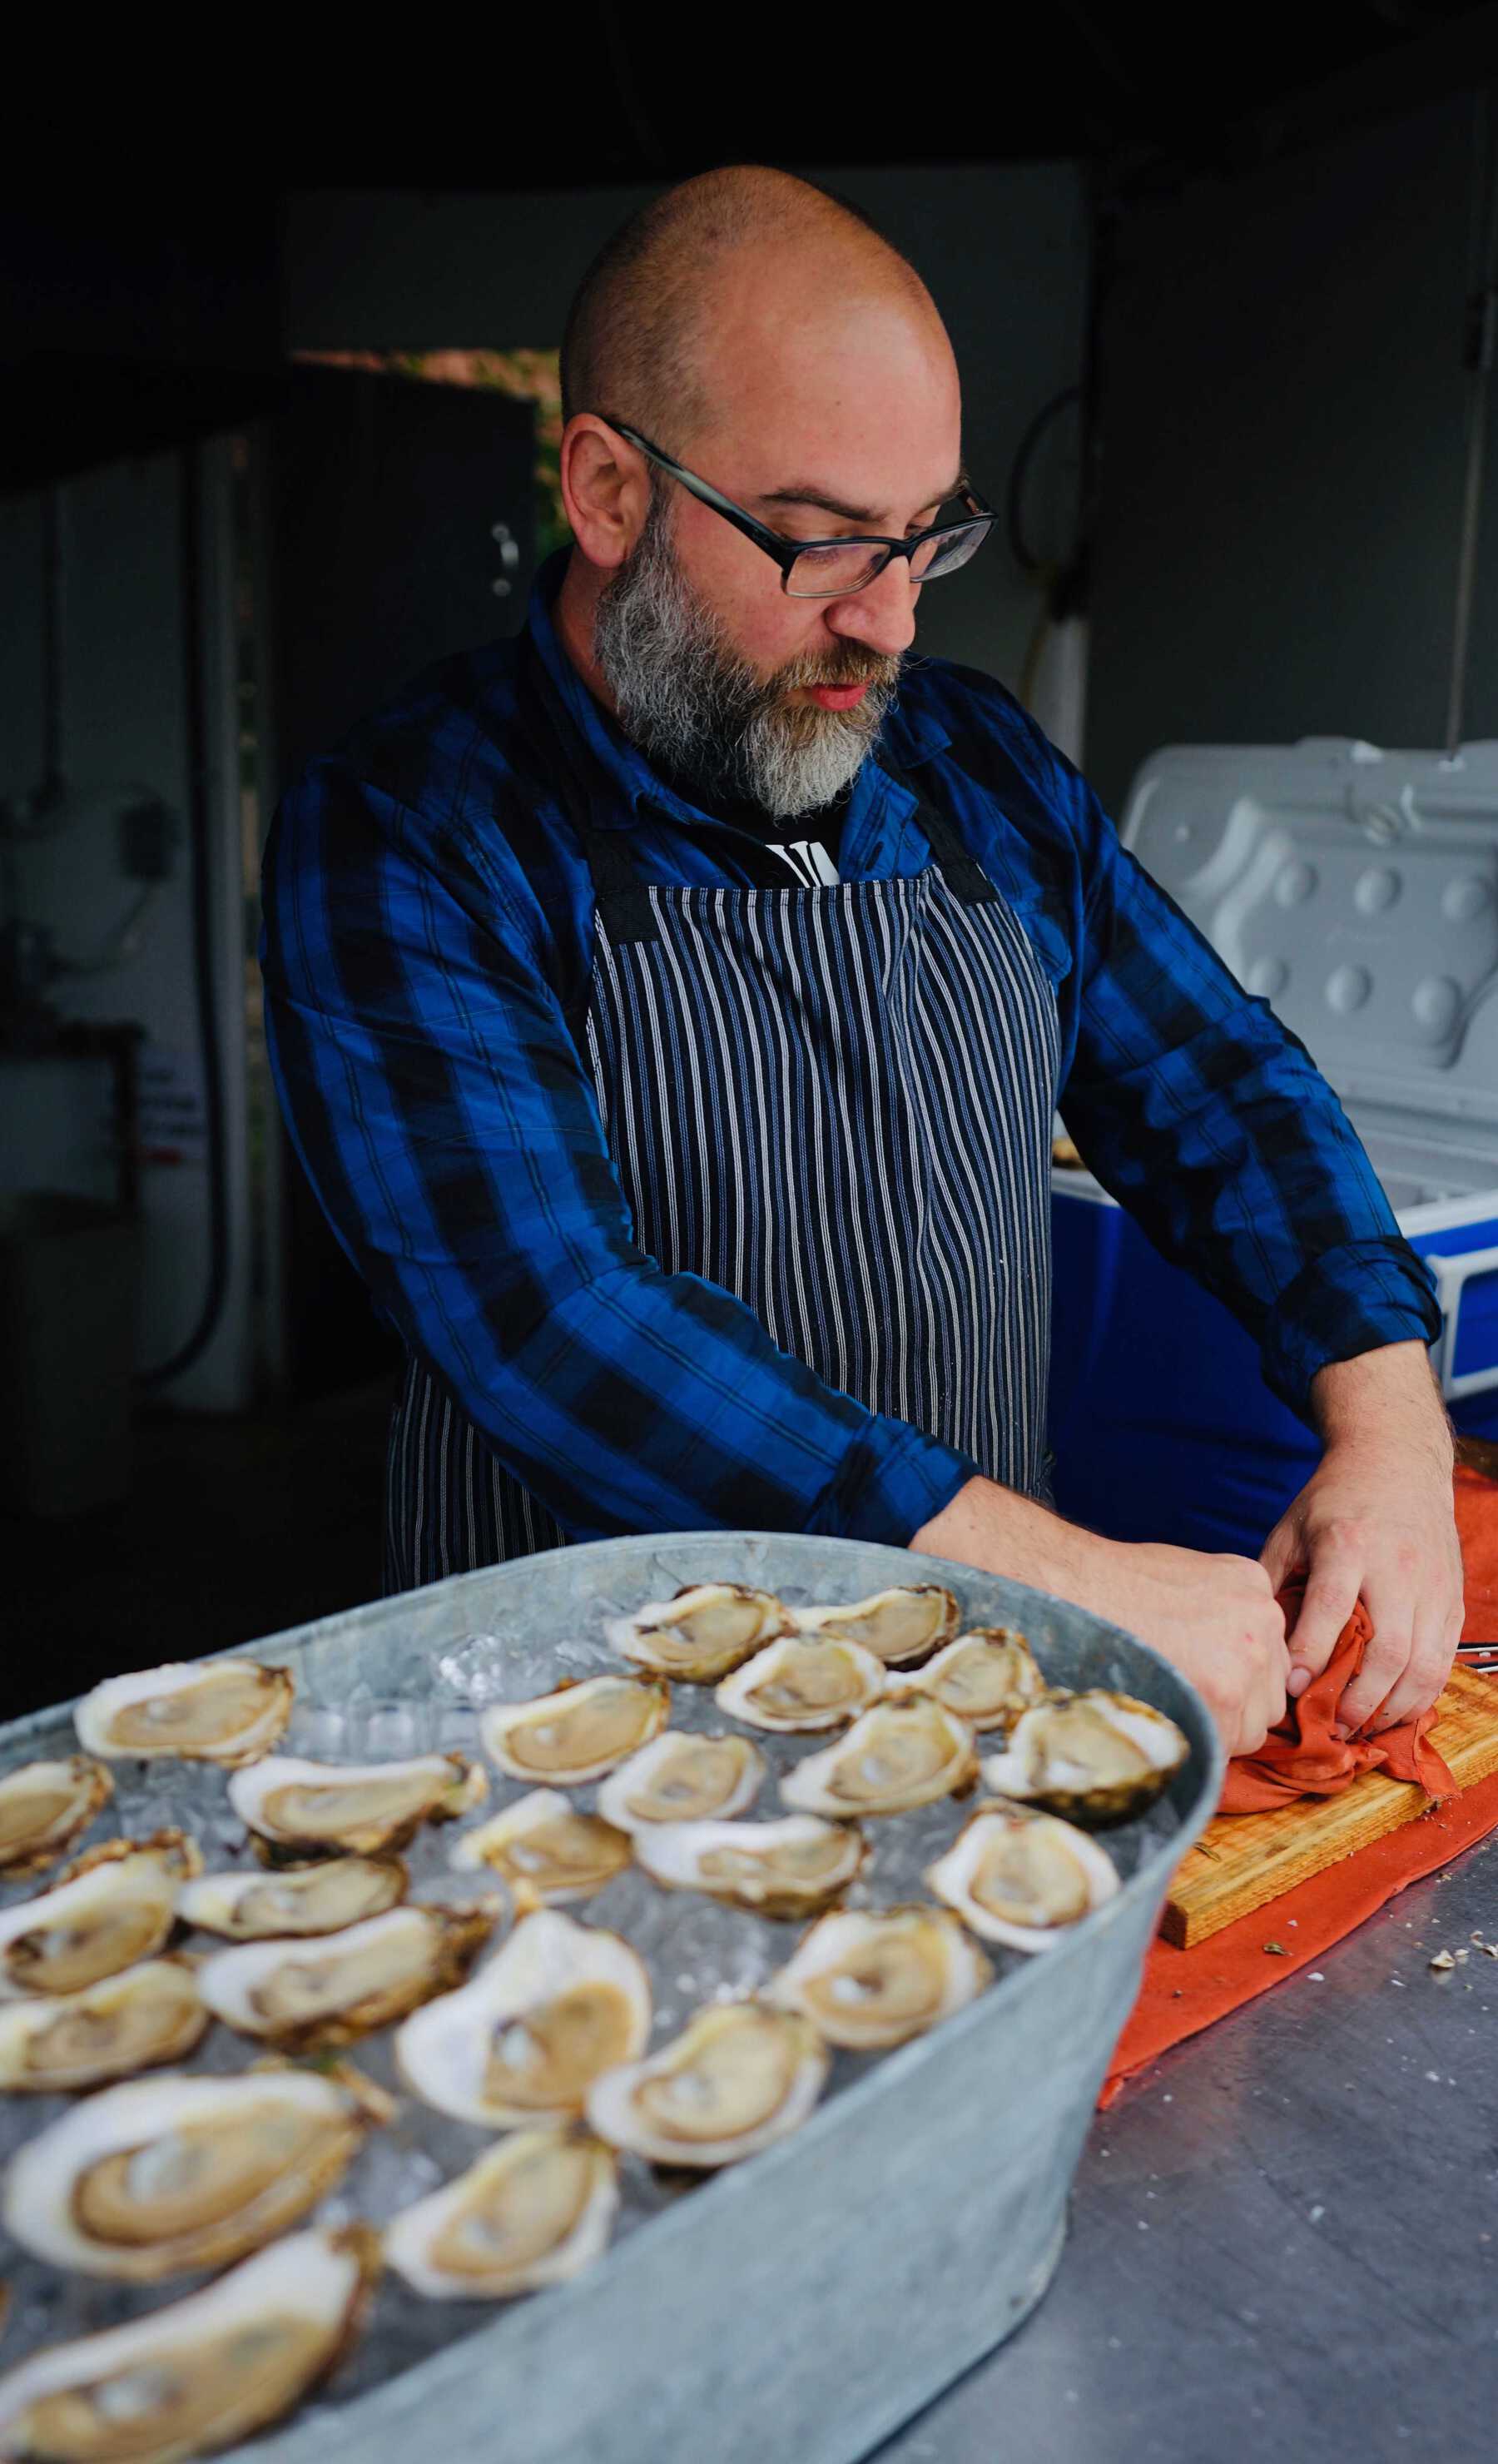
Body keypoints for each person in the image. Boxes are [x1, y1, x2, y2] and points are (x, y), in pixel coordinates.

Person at [260, 163, 1463, 1757]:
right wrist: (1060, 1577)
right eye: (823, 545)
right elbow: (550, 1315)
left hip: (964, 1708)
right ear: (611, 493)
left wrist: (1385, 1421)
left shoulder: (975, 770)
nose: (893, 624)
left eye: (926, 538)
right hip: (585, 1750)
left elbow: (1214, 1081)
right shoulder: (413, 830)